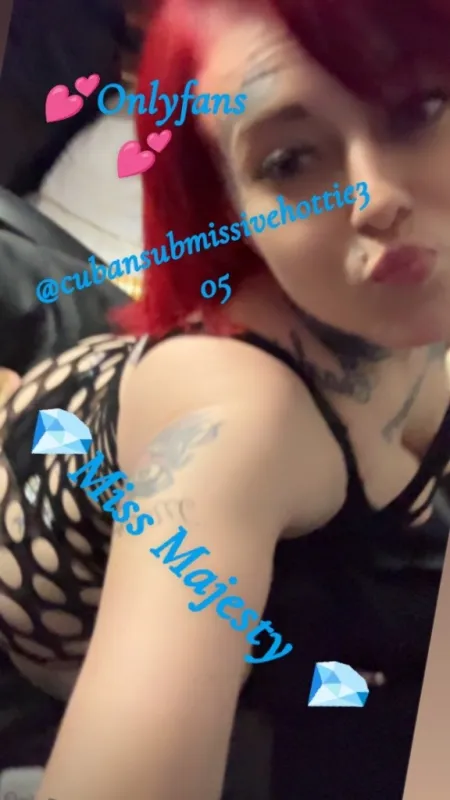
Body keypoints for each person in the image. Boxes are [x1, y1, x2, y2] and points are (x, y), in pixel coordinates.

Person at [0, 0, 449, 797]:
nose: (375, 196)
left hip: (90, 380)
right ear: (230, 207)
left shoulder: (388, 296)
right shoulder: (237, 431)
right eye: (290, 160)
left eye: (419, 108)